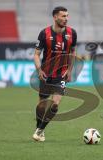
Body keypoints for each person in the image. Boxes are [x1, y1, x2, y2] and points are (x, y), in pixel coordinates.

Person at [32, 6, 77, 142]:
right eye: (63, 16)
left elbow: (73, 52)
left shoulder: (72, 33)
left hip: (61, 74)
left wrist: (69, 71)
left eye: (67, 16)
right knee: (42, 105)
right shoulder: (44, 33)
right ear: (55, 17)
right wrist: (39, 70)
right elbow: (36, 54)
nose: (66, 19)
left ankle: (40, 130)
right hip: (46, 73)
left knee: (55, 104)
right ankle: (39, 128)